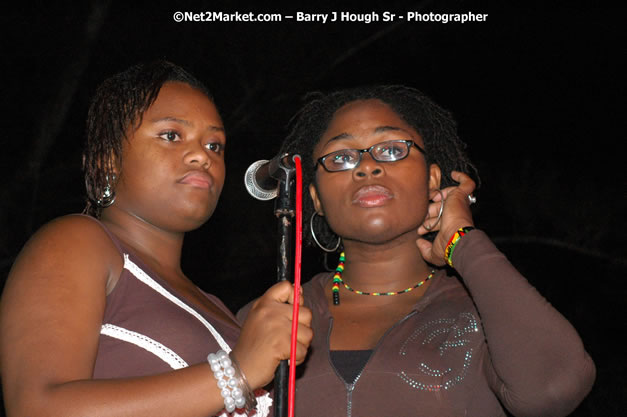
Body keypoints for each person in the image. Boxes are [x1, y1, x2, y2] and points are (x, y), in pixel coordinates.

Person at [239, 85, 596, 416]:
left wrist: (463, 240)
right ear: (315, 198)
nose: (367, 166)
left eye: (393, 149)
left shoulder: (484, 312)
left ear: (431, 179)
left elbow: (553, 389)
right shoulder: (273, 315)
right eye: (342, 158)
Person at [0, 61, 312, 417]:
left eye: (215, 145)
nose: (202, 156)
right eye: (171, 135)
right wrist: (235, 373)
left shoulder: (217, 309)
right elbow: (37, 408)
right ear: (107, 161)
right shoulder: (76, 243)